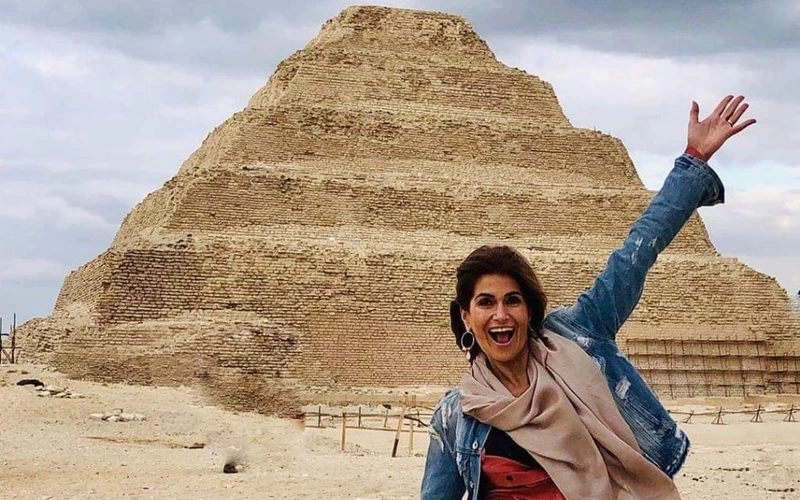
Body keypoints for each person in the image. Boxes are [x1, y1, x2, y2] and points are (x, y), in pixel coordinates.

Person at [421, 95, 756, 500]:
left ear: (529, 309)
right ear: (466, 316)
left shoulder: (576, 339)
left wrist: (693, 159)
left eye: (513, 300)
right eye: (485, 302)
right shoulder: (456, 417)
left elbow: (633, 258)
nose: (501, 314)